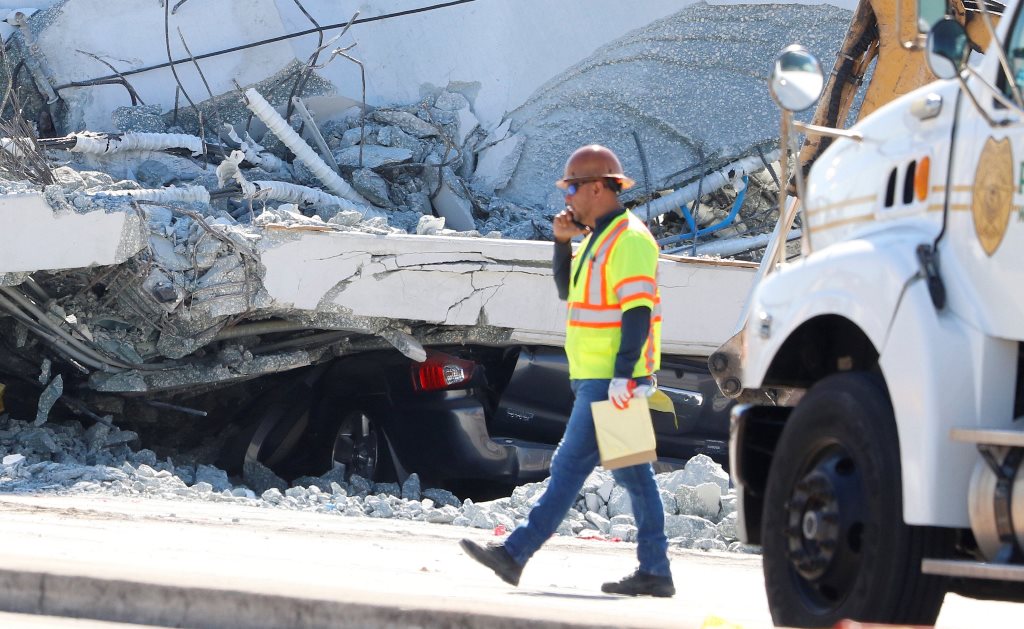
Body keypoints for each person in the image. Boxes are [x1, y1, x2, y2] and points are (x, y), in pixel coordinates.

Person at [459, 144, 673, 597]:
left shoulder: (630, 240)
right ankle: (656, 571)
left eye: (573, 187)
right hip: (600, 378)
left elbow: (637, 312)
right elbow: (566, 288)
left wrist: (622, 377)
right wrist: (561, 242)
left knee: (568, 466)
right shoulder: (599, 237)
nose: (568, 196)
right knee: (635, 475)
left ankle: (515, 553)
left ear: (598, 187)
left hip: (610, 381)